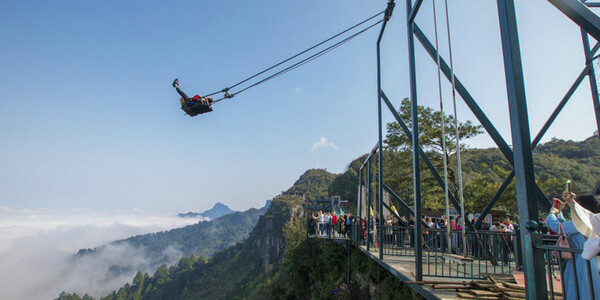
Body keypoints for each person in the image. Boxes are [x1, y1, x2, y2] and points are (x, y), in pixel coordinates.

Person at [546, 192, 600, 300]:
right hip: (591, 260)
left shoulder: (581, 221)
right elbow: (565, 229)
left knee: (579, 288)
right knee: (590, 289)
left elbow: (558, 228)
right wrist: (560, 212)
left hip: (580, 260)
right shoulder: (592, 219)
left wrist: (552, 213)